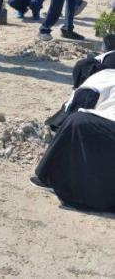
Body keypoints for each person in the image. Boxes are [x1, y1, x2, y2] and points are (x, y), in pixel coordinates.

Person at [32, 68, 115, 212]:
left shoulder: (95, 81)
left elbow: (72, 110)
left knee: (77, 123)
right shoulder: (104, 75)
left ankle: (54, 179)